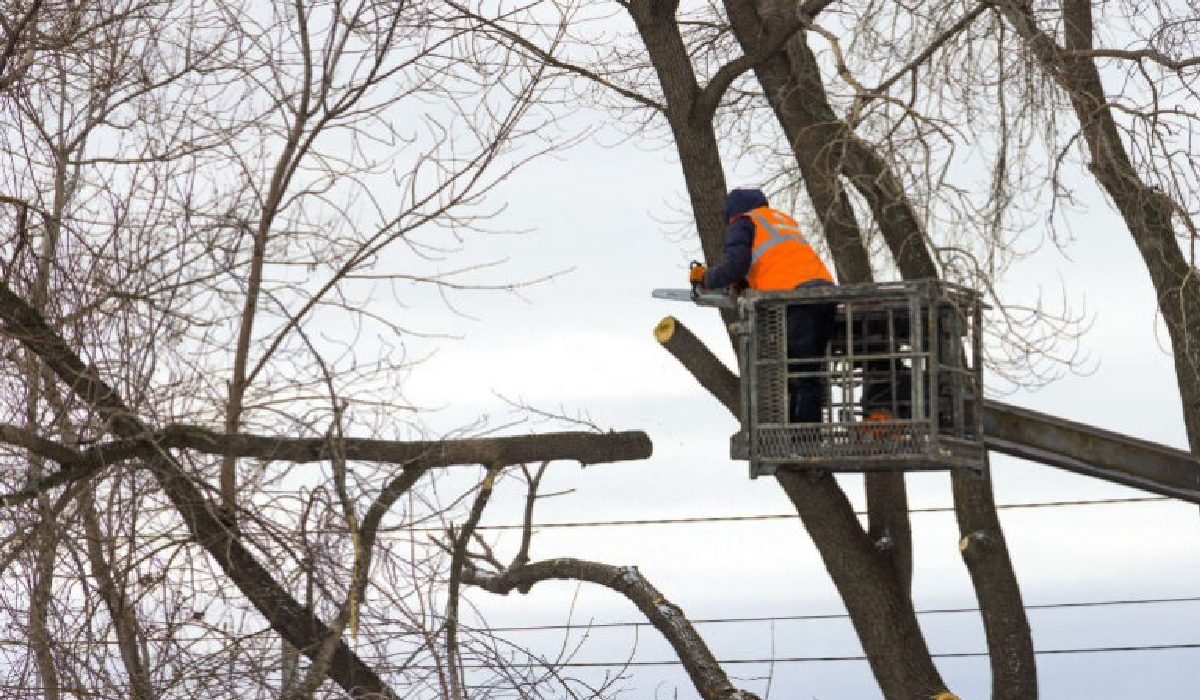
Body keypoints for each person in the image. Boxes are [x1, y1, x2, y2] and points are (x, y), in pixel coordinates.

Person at [689, 188, 837, 423]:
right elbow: (774, 261)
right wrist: (745, 282)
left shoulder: (743, 223)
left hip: (797, 300)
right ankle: (808, 438)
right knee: (809, 372)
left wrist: (706, 278)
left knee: (798, 375)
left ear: (732, 215)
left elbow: (735, 265)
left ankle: (803, 442)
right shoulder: (780, 221)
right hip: (827, 294)